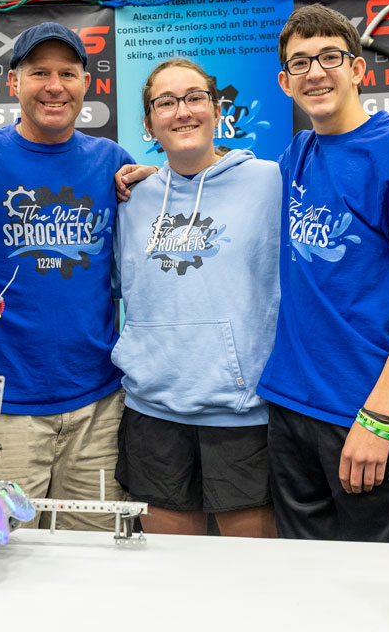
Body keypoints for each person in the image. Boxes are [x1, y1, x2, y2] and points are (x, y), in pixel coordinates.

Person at [257, 3, 389, 542]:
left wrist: (377, 416)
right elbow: (226, 182)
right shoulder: (297, 152)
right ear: (285, 82)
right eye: (300, 63)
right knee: (305, 590)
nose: (316, 72)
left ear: (358, 70)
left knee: (376, 597)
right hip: (293, 406)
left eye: (330, 57)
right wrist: (157, 176)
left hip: (368, 416)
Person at [0, 23, 136, 530]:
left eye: (68, 73)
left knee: (94, 565)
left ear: (86, 84)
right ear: (15, 85)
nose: (55, 85)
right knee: (5, 561)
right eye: (39, 73)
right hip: (5, 406)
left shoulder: (112, 161)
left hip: (99, 404)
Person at [112, 58, 280, 537]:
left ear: (215, 108)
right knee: (169, 579)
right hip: (153, 411)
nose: (182, 111)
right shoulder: (130, 197)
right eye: (165, 103)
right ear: (149, 123)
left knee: (252, 578)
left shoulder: (269, 180)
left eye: (193, 98)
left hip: (242, 412)